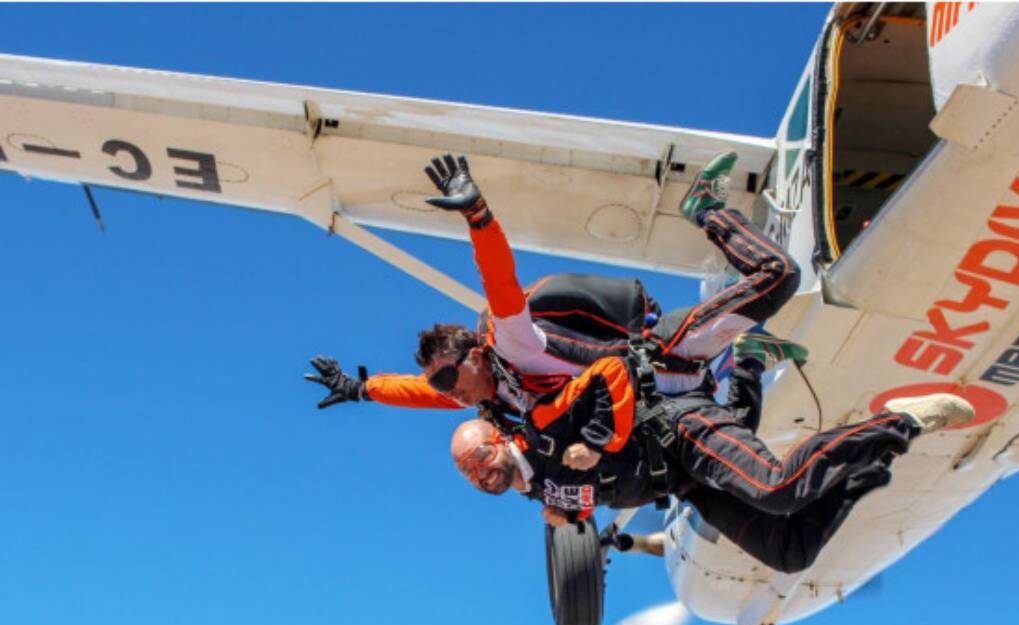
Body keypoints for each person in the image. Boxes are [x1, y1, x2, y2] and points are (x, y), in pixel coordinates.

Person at [305, 150, 807, 427]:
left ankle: (703, 207)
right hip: (675, 400)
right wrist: (361, 389)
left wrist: (478, 216)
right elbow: (417, 392)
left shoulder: (512, 342)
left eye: (446, 380)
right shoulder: (493, 394)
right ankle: (752, 355)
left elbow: (499, 281)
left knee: (777, 277)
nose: (446, 394)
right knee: (739, 429)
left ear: (476, 355)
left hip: (667, 353)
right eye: (441, 386)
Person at [449, 355, 975, 573]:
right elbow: (593, 495)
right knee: (787, 551)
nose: (479, 473)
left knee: (776, 488)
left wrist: (364, 389)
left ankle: (896, 424)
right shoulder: (540, 493)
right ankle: (862, 472)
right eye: (468, 474)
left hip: (679, 432)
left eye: (479, 456)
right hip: (686, 483)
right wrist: (571, 518)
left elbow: (603, 375)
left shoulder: (540, 431)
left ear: (497, 436)